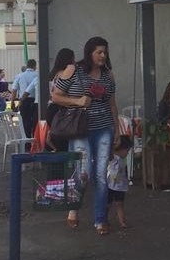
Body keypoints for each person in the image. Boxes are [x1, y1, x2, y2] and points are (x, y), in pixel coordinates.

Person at [51, 37, 121, 235]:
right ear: (89, 53)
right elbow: (55, 96)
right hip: (80, 129)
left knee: (101, 175)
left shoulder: (108, 75)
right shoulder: (73, 70)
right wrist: (77, 101)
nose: (103, 56)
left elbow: (112, 104)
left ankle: (100, 219)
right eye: (99, 52)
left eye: (105, 52)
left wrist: (116, 129)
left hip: (104, 127)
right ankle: (73, 208)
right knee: (84, 173)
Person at [106, 135, 132, 229]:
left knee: (120, 204)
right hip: (109, 185)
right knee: (108, 204)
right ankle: (104, 219)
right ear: (121, 149)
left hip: (120, 186)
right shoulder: (112, 156)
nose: (127, 153)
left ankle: (122, 222)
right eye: (126, 151)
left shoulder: (122, 159)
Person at [12, 60, 40, 143]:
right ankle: (35, 140)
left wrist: (13, 101)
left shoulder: (19, 76)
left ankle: (27, 142)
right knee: (35, 122)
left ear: (27, 66)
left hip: (24, 101)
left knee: (25, 122)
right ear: (35, 66)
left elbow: (14, 90)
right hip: (36, 101)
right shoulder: (37, 75)